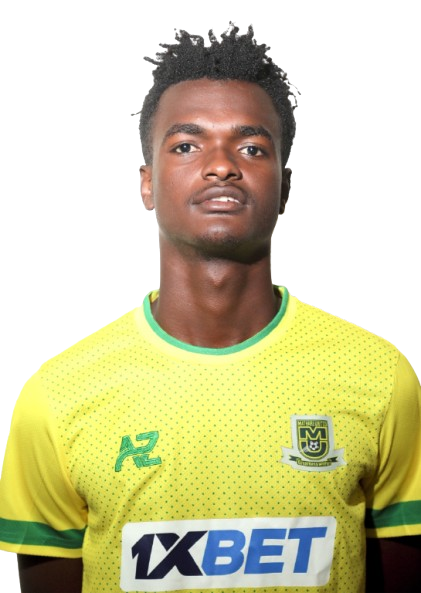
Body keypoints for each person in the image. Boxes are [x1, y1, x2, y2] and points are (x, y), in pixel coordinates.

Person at [0, 22, 420, 593]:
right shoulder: (58, 395)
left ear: (285, 188)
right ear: (147, 184)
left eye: (251, 147)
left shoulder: (379, 376)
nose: (221, 165)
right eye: (186, 145)